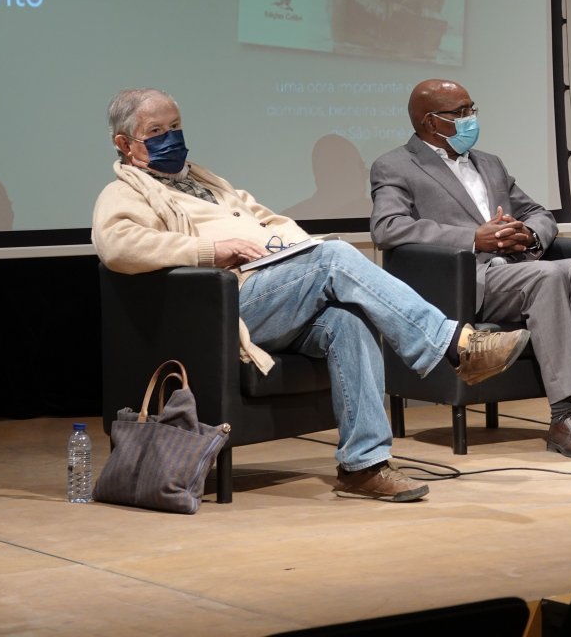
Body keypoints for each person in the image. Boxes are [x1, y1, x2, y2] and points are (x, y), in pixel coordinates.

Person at [92, 88, 531, 503]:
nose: (172, 137)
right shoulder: (123, 192)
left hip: (271, 288)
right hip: (221, 308)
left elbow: (275, 221)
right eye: (156, 132)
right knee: (335, 258)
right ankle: (455, 344)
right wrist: (210, 251)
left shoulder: (209, 183)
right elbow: (119, 246)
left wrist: (288, 249)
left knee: (347, 320)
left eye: (176, 125)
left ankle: (363, 466)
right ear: (124, 143)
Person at [369, 79, 571, 459]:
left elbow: (538, 212)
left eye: (472, 109)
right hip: (466, 281)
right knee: (547, 277)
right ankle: (562, 416)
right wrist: (473, 238)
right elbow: (388, 227)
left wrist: (529, 235)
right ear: (430, 123)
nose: (471, 120)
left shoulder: (490, 163)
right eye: (460, 113)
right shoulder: (396, 165)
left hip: (516, 269)